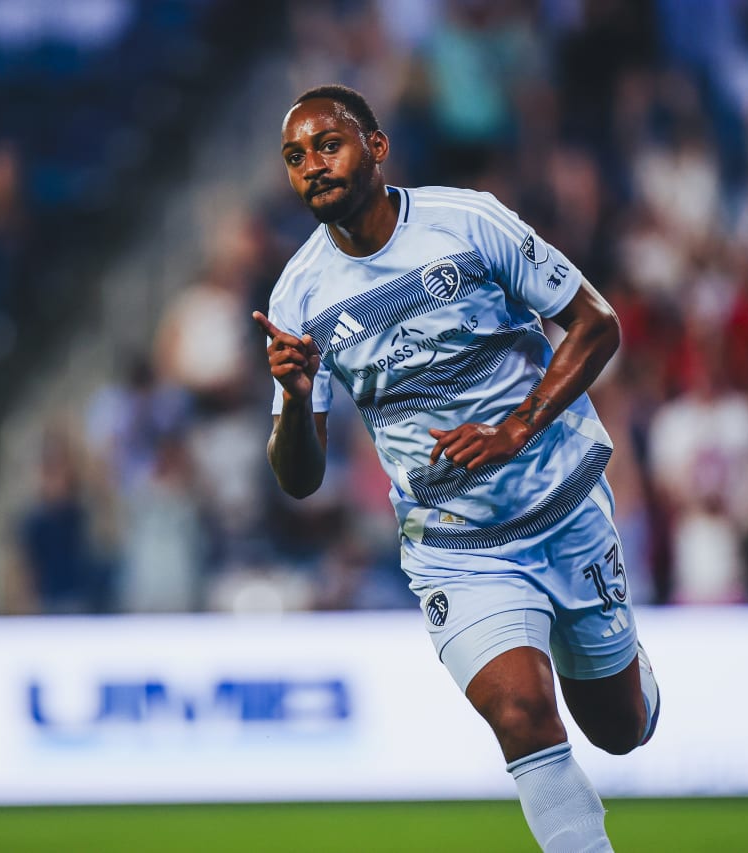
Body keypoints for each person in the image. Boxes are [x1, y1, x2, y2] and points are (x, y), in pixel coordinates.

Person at [255, 85, 659, 852]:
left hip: (563, 504)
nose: (312, 166)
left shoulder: (467, 222)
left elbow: (594, 325)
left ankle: (629, 674)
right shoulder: (299, 294)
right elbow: (298, 476)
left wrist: (516, 426)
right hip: (456, 546)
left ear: (376, 148)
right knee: (520, 713)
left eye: (328, 145)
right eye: (294, 157)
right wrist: (294, 390)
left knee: (620, 730)